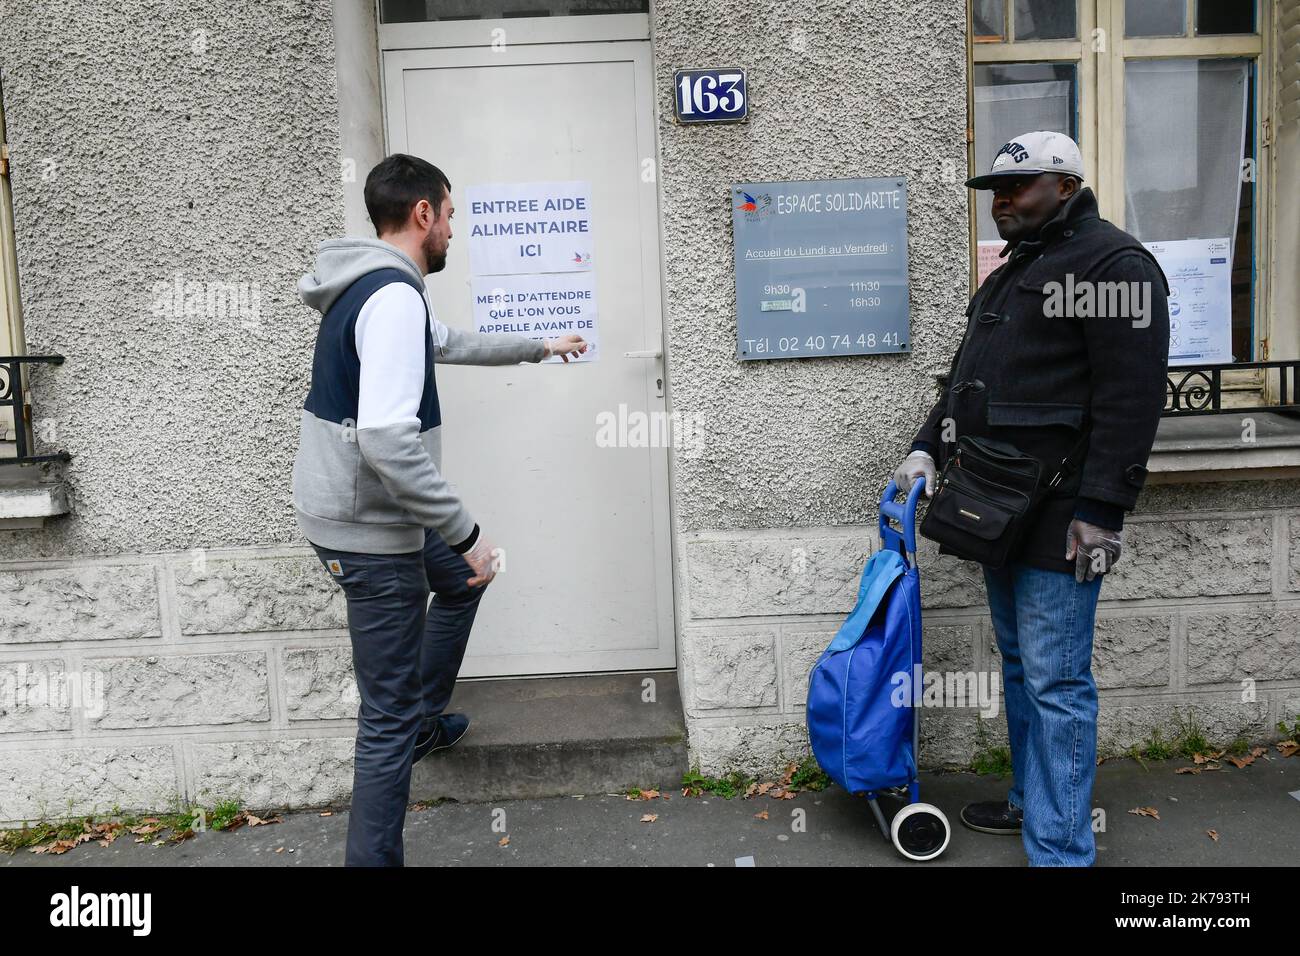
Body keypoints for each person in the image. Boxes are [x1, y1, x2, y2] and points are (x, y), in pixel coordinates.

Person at [291, 153, 587, 866]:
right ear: (423, 213)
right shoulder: (391, 296)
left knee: (461, 581)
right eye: (450, 215)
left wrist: (539, 347)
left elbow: (448, 342)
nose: (454, 229)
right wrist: (467, 532)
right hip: (370, 530)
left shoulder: (384, 290)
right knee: (384, 722)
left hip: (373, 515)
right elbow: (389, 442)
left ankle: (424, 718)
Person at [892, 131, 1170, 866]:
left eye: (1020, 188)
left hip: (1062, 518)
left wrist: (1103, 512)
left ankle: (1061, 847)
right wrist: (928, 445)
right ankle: (1030, 804)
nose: (1003, 202)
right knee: (1022, 668)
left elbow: (1131, 401)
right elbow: (963, 380)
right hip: (996, 507)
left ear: (1068, 187)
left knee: (1057, 682)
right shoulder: (1017, 269)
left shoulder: (1115, 265)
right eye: (995, 192)